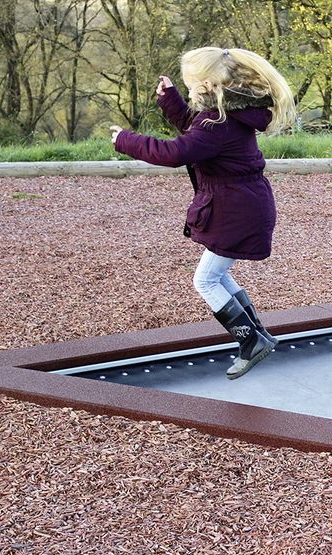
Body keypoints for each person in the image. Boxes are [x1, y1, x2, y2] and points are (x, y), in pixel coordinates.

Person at [110, 47, 295, 379]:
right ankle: (258, 334)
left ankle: (251, 341)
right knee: (218, 275)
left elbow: (174, 152)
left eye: (190, 84)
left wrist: (126, 140)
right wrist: (171, 100)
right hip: (243, 205)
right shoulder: (224, 117)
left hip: (236, 209)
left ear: (208, 85)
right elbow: (194, 130)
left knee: (205, 280)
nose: (190, 88)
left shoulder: (217, 125)